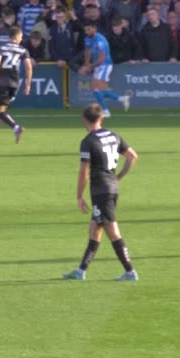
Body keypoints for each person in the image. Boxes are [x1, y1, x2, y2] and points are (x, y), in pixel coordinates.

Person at [63, 103, 140, 281]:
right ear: (101, 119)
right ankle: (81, 271)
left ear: (84, 120)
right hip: (112, 187)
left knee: (112, 230)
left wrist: (79, 196)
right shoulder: (114, 135)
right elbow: (132, 156)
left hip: (101, 191)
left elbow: (84, 172)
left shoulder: (88, 141)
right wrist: (118, 176)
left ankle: (130, 271)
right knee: (95, 228)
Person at [0, 25, 33, 143]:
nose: (22, 38)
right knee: (1, 108)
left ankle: (16, 128)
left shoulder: (1, 48)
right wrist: (28, 84)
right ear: (16, 37)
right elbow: (28, 67)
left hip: (3, 80)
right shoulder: (23, 50)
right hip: (15, 82)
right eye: (21, 36)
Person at [79, 21, 129, 118]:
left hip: (105, 65)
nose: (87, 32)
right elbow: (87, 51)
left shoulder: (100, 40)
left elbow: (101, 59)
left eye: (89, 29)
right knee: (98, 90)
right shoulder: (87, 39)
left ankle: (106, 111)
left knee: (96, 88)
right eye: (85, 30)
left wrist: (88, 67)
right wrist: (86, 63)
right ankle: (121, 98)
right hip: (98, 66)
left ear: (95, 29)